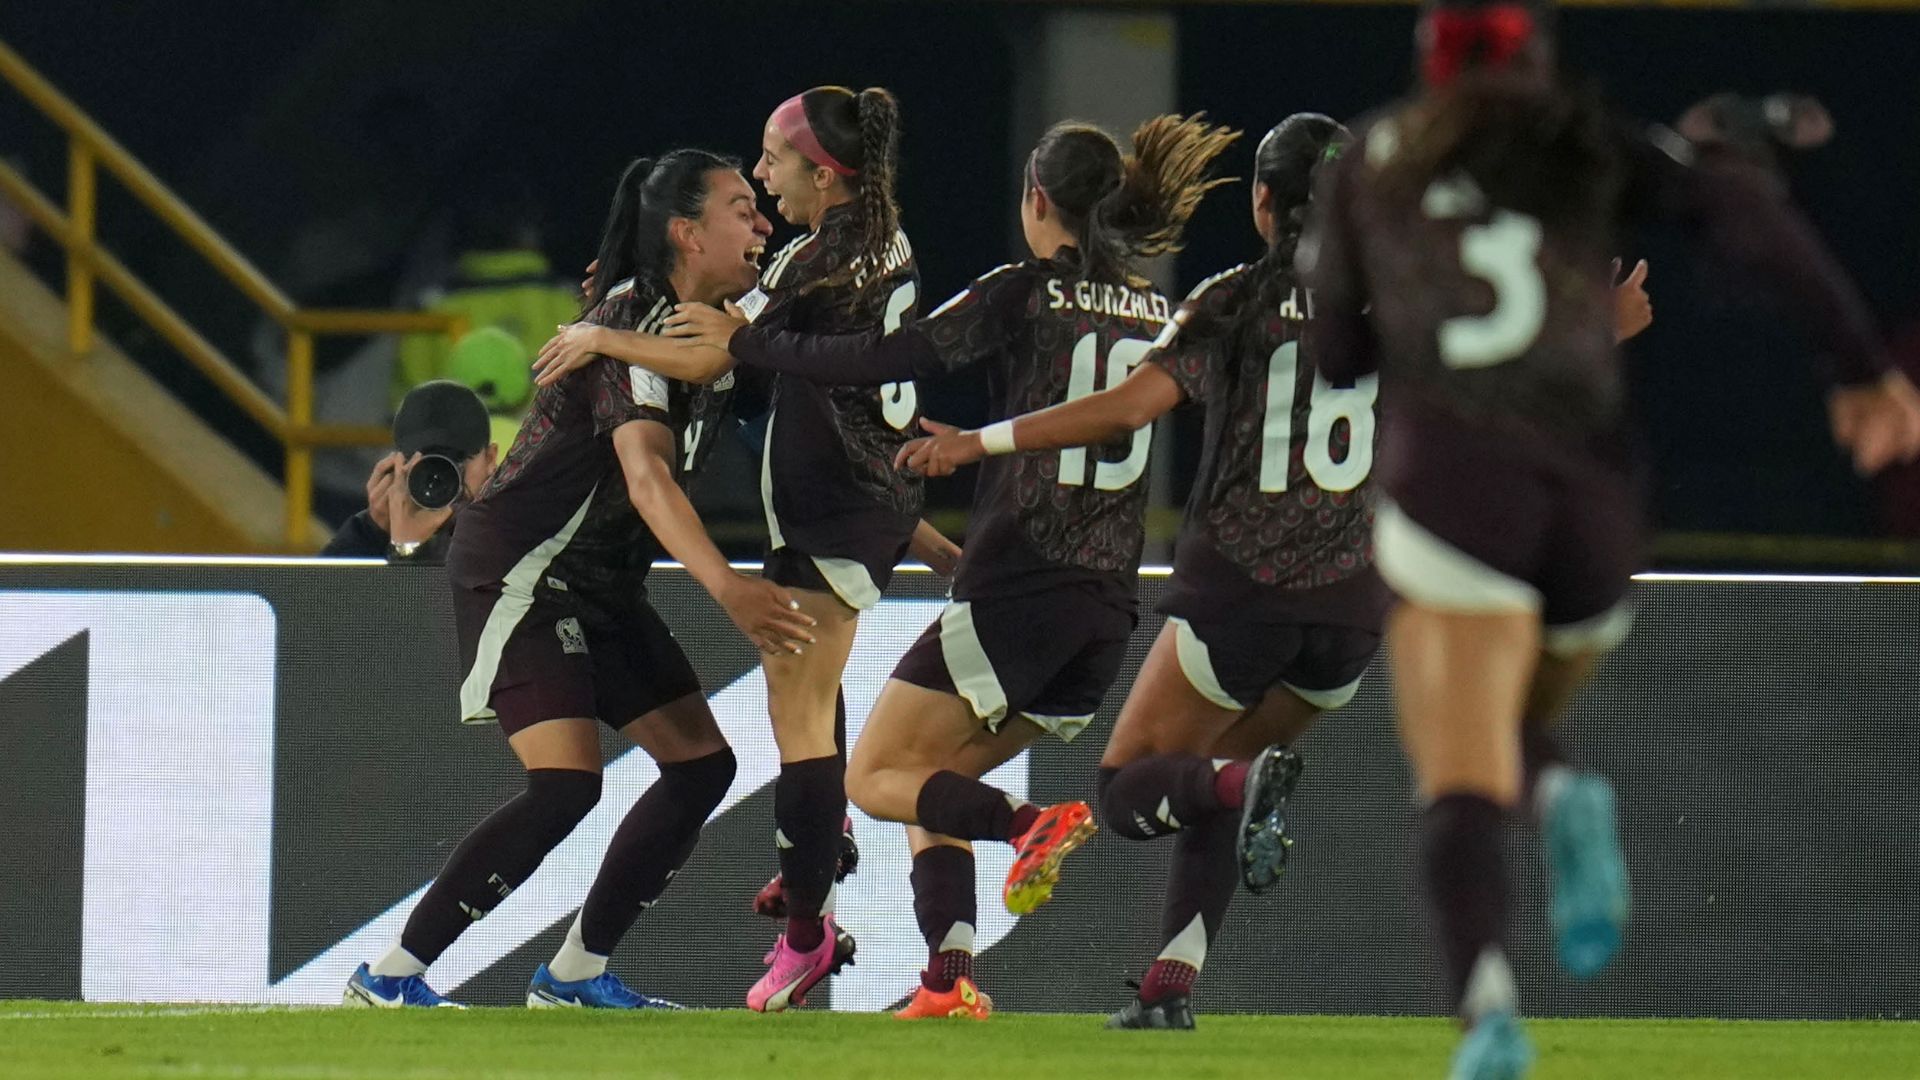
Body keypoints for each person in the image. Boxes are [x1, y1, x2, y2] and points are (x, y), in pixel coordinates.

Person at [1302, 1, 1920, 1074]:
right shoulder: (1584, 133)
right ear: (1538, 54)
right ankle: (1558, 784)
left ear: (1428, 64)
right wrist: (1860, 366)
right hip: (1594, 496)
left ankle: (1492, 1012)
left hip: (1453, 478)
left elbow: (1338, 357)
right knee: (1523, 701)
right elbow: (1745, 220)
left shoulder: (1373, 158)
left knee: (1455, 767)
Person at [667, 113, 1239, 1021]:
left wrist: (744, 342)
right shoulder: (1155, 308)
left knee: (872, 777)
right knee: (933, 781)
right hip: (1107, 602)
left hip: (1020, 580)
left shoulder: (1021, 292)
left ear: (1037, 200)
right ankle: (948, 979)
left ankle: (1030, 827)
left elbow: (884, 356)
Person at [344, 149, 814, 1010]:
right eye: (742, 208)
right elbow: (646, 475)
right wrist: (729, 587)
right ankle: (391, 976)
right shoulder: (636, 318)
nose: (762, 223)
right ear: (684, 231)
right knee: (566, 783)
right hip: (527, 566)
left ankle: (574, 974)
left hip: (601, 578)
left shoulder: (714, 318)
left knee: (702, 766)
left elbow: (755, 353)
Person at [534, 86, 958, 1012]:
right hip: (875, 504)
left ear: (825, 170)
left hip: (828, 515)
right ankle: (820, 849)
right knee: (819, 704)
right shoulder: (889, 235)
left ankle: (805, 932)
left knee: (802, 732)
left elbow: (706, 356)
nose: (763, 179)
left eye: (773, 160)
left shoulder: (813, 258)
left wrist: (598, 334)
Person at [320, 379, 497, 561]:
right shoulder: (381, 531)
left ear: (490, 459)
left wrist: (406, 550)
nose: (443, 476)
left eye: (459, 459)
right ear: (398, 465)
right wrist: (371, 530)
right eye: (427, 461)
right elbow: (321, 589)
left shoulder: (514, 534)